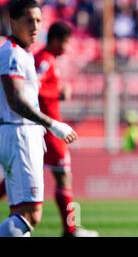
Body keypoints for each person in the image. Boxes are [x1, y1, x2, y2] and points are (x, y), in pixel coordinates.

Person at [0, 0, 77, 237]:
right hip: (20, 133)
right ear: (12, 22)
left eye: (39, 20)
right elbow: (16, 101)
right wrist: (53, 124)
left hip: (21, 133)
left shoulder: (22, 53)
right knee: (30, 215)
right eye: (29, 21)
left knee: (22, 211)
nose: (35, 27)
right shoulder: (12, 54)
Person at [34, 22, 98, 237]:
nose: (68, 48)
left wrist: (55, 90)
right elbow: (31, 88)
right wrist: (57, 92)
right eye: (66, 42)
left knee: (17, 176)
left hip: (44, 127)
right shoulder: (44, 60)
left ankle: (70, 229)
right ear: (55, 40)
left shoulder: (48, 59)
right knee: (64, 177)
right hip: (49, 129)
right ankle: (71, 230)